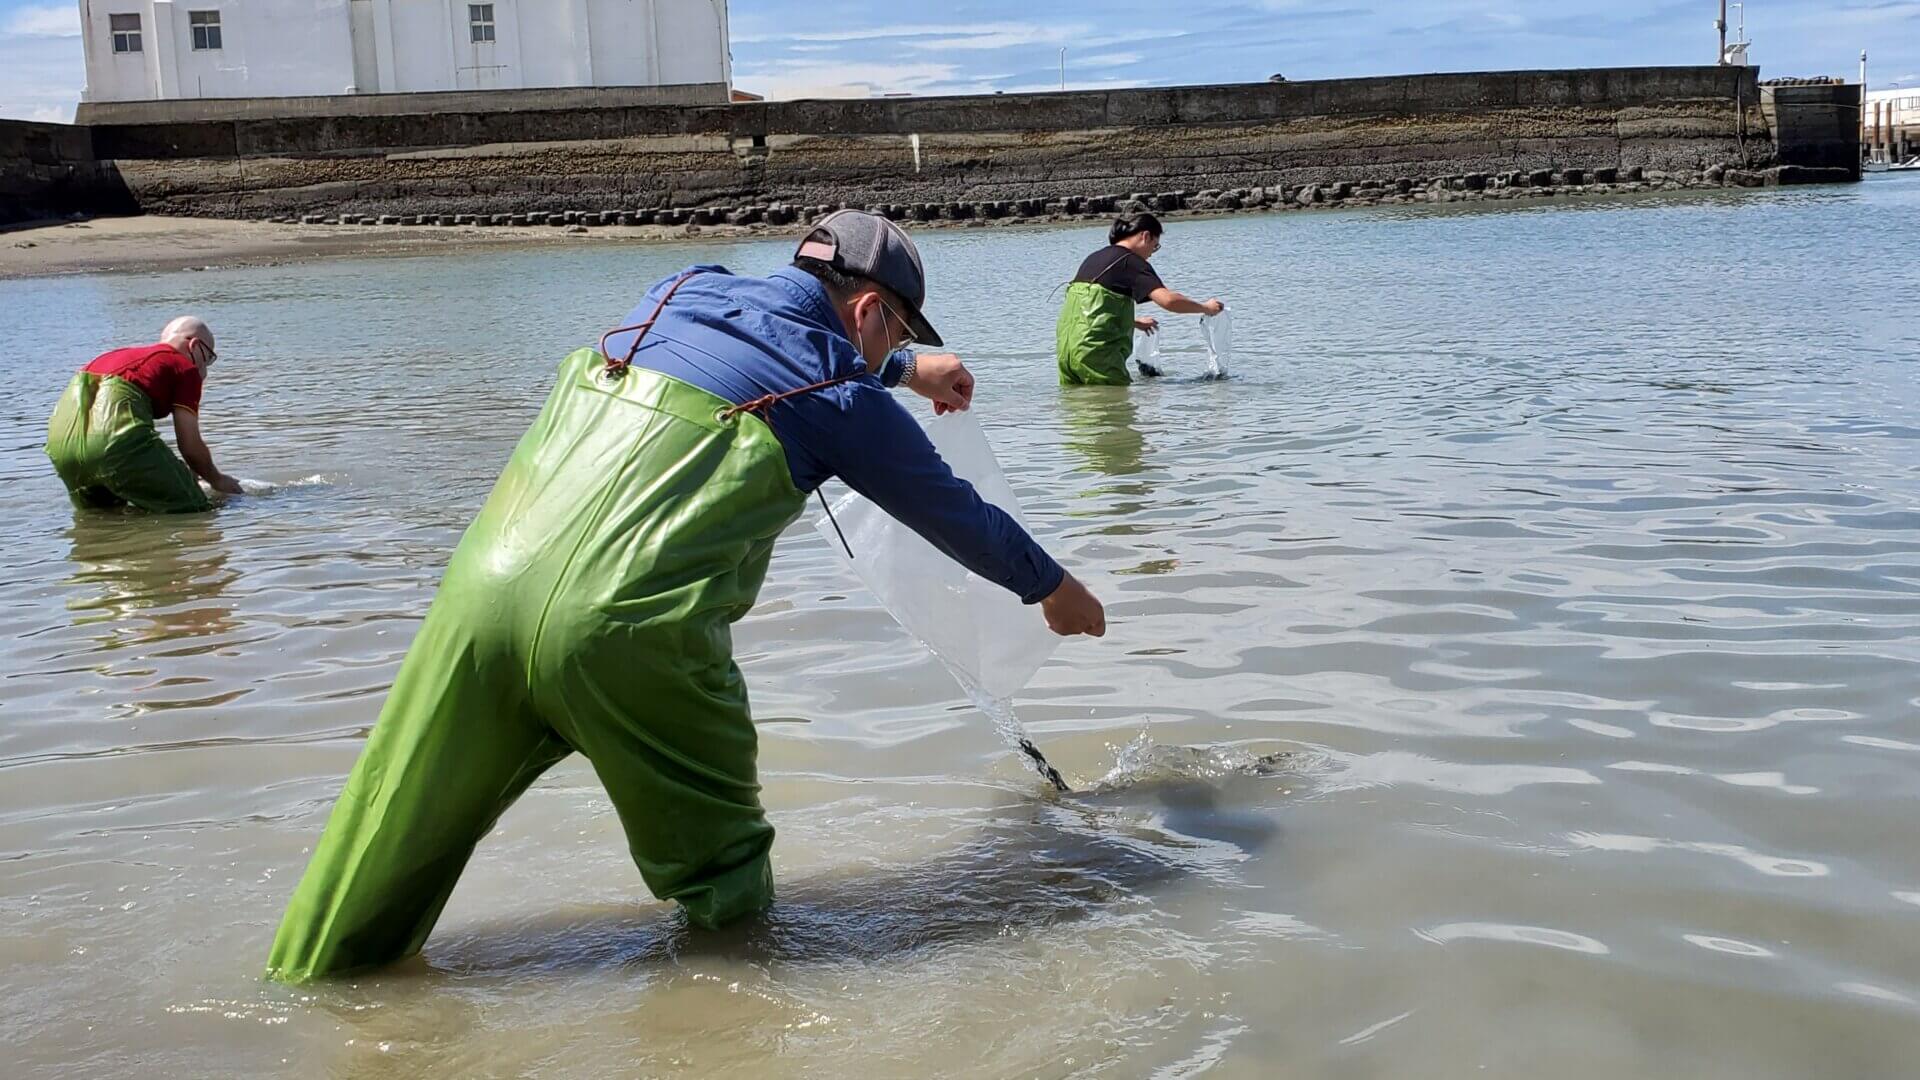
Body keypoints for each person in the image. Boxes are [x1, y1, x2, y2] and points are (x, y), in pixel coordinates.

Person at [266, 211, 1109, 982]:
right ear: (869, 313)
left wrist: (899, 366)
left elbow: (767, 345)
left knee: (381, 845)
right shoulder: (842, 398)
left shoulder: (683, 288)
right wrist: (1052, 587)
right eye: (892, 327)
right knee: (727, 893)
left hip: (480, 597)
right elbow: (953, 515)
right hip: (633, 639)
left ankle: (308, 992)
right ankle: (724, 1025)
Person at [45, 316, 242, 513]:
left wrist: (181, 473)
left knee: (101, 521)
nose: (205, 372)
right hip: (115, 444)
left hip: (63, 448)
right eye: (208, 359)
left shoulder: (112, 356)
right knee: (196, 512)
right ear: (195, 346)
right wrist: (217, 479)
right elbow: (189, 444)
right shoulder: (183, 366)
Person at [1056, 213, 1226, 386]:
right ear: (1146, 236)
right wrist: (1206, 307)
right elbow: (1168, 300)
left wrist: (1134, 322)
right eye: (1155, 246)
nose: (1152, 254)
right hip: (1098, 356)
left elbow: (1090, 312)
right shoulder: (1130, 261)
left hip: (1067, 354)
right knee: (1115, 409)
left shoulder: (1093, 258)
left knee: (1077, 409)